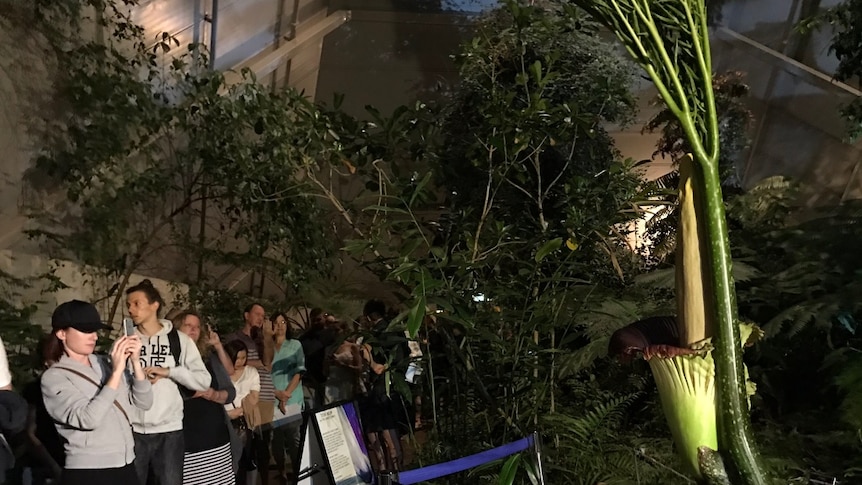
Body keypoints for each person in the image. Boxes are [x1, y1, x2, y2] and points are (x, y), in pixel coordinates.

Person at [40, 299, 153, 484]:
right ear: (61, 333)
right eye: (85, 331)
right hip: (89, 470)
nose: (93, 337)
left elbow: (144, 403)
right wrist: (116, 372)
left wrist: (136, 362)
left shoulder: (104, 363)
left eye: (94, 330)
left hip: (127, 464)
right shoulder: (54, 377)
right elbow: (88, 419)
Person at [125, 280, 212, 485]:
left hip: (169, 431)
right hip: (133, 431)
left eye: (137, 303)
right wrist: (137, 379)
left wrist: (170, 372)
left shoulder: (179, 340)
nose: (131, 309)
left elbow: (203, 381)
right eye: (128, 304)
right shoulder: (126, 340)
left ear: (154, 305)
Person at [176, 311, 237, 485]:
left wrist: (216, 395)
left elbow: (230, 390)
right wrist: (196, 392)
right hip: (190, 444)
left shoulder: (207, 358)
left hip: (218, 439)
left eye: (197, 327)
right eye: (188, 326)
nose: (194, 330)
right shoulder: (169, 359)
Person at [225, 303, 275, 485]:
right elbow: (229, 360)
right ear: (246, 315)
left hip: (264, 395)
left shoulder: (263, 339)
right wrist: (257, 363)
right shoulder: (234, 337)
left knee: (262, 446)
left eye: (263, 315)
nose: (261, 318)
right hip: (240, 398)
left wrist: (268, 338)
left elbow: (268, 362)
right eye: (257, 314)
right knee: (241, 446)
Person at [269, 312, 305, 483]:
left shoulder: (295, 344)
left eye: (283, 321)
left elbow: (299, 371)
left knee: (294, 439)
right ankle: (282, 472)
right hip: (272, 398)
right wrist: (277, 394)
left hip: (291, 398)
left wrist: (285, 396)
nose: (280, 325)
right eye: (276, 322)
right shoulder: (267, 346)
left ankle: (299, 472)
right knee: (276, 440)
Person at [224, 341, 260, 485]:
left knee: (244, 460)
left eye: (243, 358)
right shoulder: (219, 372)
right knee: (227, 462)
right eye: (237, 358)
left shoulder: (251, 372)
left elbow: (254, 397)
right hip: (223, 422)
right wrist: (227, 415)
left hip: (243, 422)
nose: (240, 362)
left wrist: (239, 411)